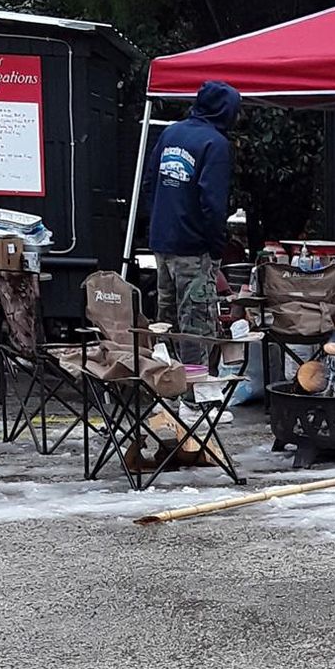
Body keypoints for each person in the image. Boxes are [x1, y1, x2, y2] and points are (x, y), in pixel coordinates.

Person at [142, 79, 242, 425]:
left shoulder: (171, 134)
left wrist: (156, 225)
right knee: (196, 322)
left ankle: (164, 390)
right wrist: (216, 247)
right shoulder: (215, 143)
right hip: (193, 247)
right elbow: (212, 203)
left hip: (162, 241)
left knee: (165, 317)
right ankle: (194, 399)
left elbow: (150, 183)